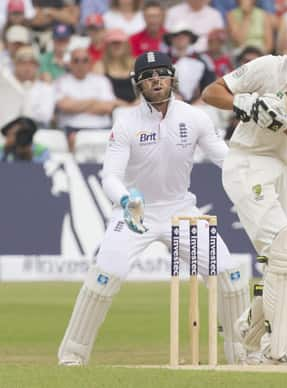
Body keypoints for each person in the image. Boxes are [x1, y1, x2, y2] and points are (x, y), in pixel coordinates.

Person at [57, 51, 250, 366]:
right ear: (138, 84)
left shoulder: (195, 117)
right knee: (105, 277)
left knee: (231, 276)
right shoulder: (126, 121)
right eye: (147, 76)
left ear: (172, 77)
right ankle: (73, 355)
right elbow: (110, 176)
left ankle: (241, 353)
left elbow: (226, 159)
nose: (155, 80)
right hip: (135, 213)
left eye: (161, 73)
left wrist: (253, 172)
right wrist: (126, 200)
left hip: (181, 211)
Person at [201, 21, 287, 364]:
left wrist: (286, 123)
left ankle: (250, 331)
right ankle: (282, 347)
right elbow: (211, 93)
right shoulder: (269, 67)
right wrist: (245, 104)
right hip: (248, 162)